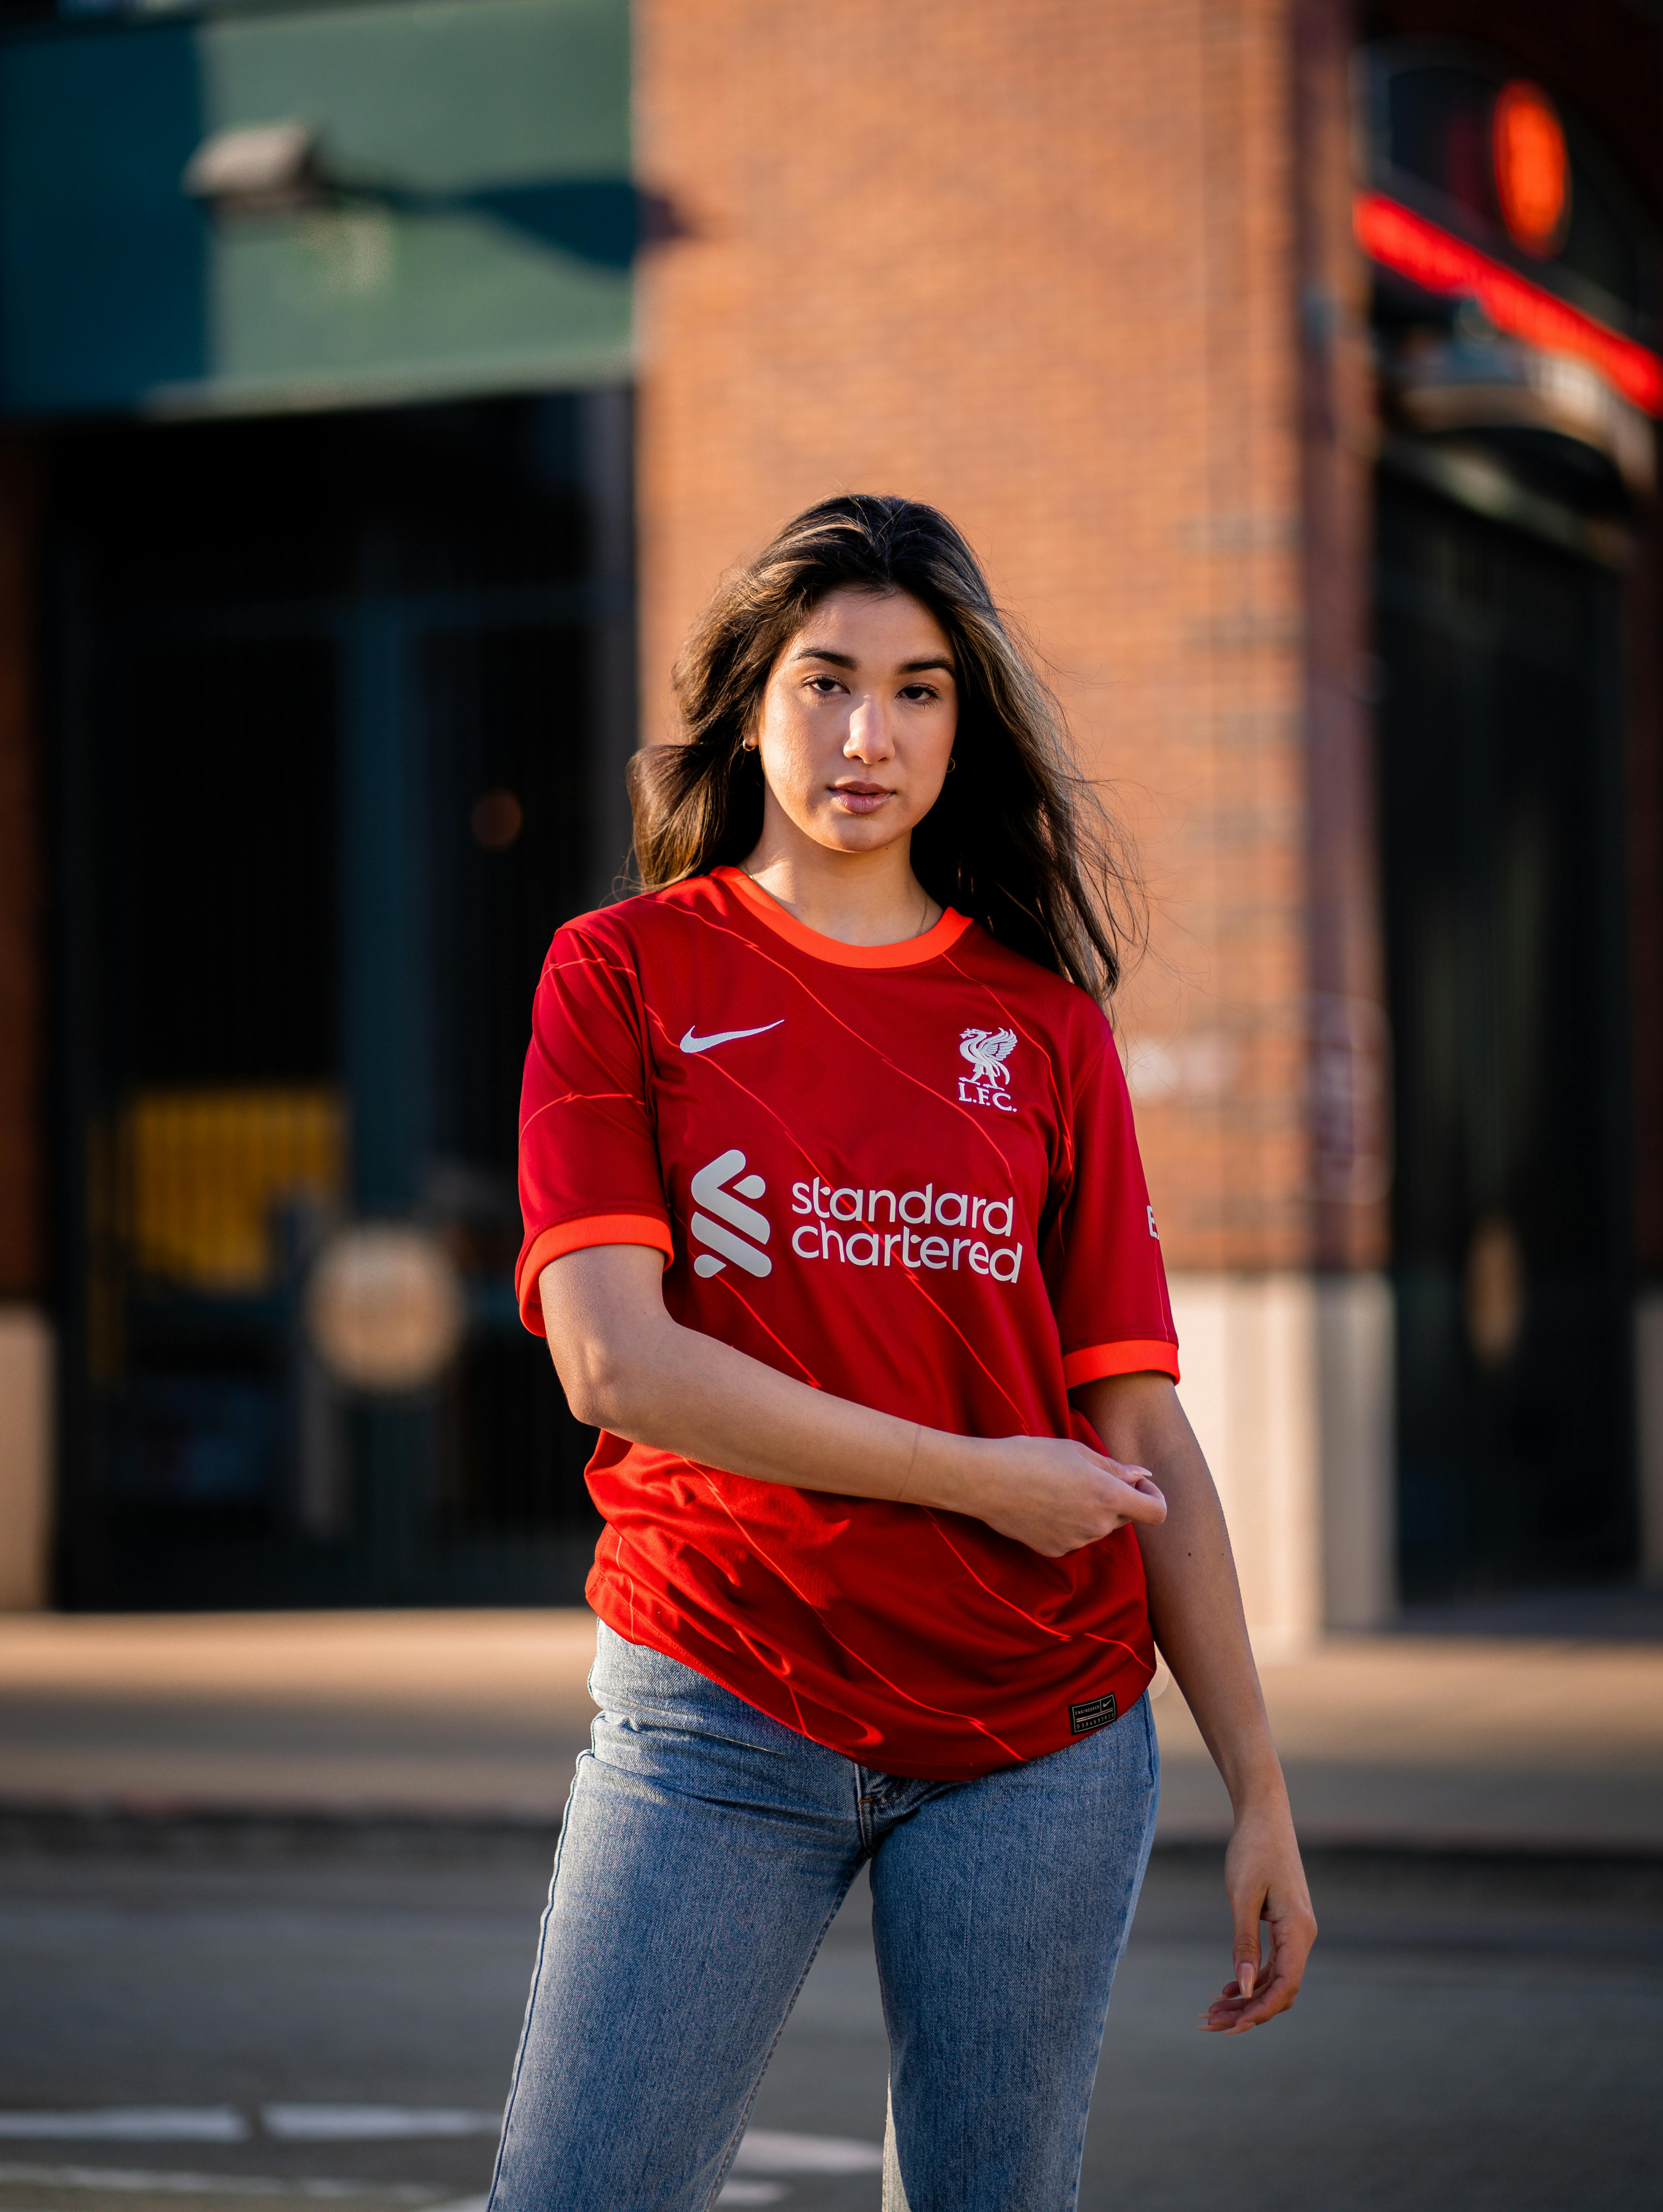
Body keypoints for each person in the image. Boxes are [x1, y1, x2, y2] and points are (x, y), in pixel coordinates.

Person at [491, 495, 1316, 2212]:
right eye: (825, 681)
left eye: (923, 689)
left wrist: (1259, 1787)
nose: (871, 736)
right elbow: (619, 1369)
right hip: (717, 1695)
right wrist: (978, 1477)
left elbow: (1140, 1428)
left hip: (1043, 1736)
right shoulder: (623, 975)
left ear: (969, 718)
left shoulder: (1043, 1025)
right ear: (747, 701)